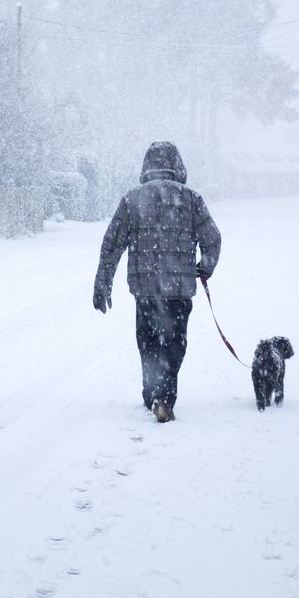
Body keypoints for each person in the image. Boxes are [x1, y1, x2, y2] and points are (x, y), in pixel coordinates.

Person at [92, 141, 221, 423]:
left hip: (145, 288)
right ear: (178, 166)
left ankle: (152, 392)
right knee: (174, 343)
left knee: (148, 341)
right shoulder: (191, 199)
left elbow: (112, 244)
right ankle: (163, 397)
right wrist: (205, 268)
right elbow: (212, 239)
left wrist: (103, 281)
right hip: (178, 290)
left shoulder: (132, 199)